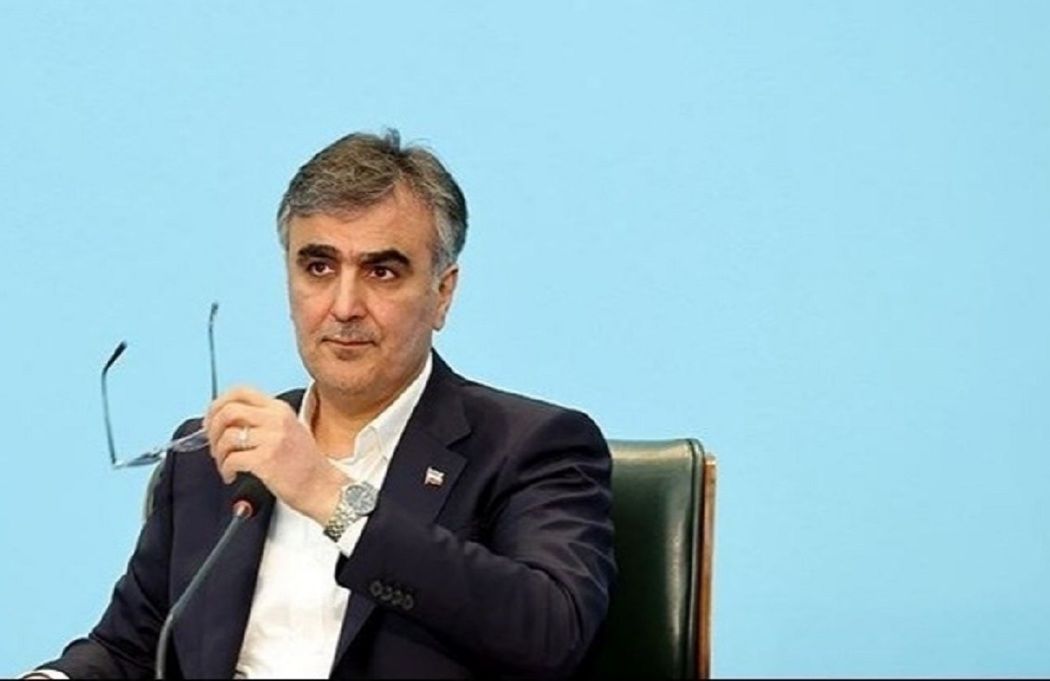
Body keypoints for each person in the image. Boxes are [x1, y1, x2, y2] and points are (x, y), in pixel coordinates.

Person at [30, 130, 616, 678]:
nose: (343, 306)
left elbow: (552, 633)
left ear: (442, 294)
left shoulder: (530, 446)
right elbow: (128, 648)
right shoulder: (215, 454)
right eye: (318, 267)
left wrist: (326, 494)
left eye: (381, 271)